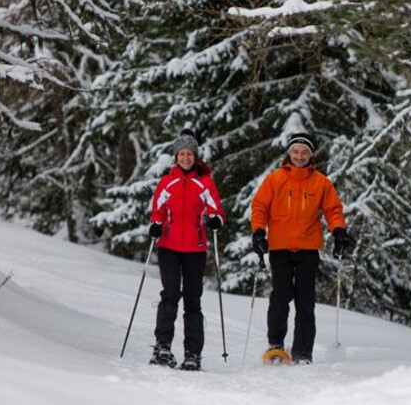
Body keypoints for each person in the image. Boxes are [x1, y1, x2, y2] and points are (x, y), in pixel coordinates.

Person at [251, 132, 353, 365]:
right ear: (289, 153)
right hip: (280, 248)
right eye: (296, 151)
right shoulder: (275, 179)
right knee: (280, 297)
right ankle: (275, 346)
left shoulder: (320, 182)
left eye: (304, 152)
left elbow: (333, 210)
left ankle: (302, 353)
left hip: (308, 249)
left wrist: (338, 230)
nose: (299, 156)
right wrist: (258, 232)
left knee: (305, 301)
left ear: (311, 155)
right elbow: (259, 207)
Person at [148, 129, 226, 371]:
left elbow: (217, 210)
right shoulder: (166, 182)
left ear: (195, 156)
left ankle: (193, 353)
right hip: (169, 246)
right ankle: (162, 347)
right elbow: (158, 211)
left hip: (195, 248)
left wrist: (216, 220)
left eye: (189, 153)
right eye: (181, 153)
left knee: (193, 300)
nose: (185, 158)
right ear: (175, 156)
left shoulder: (204, 182)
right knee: (170, 294)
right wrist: (156, 225)